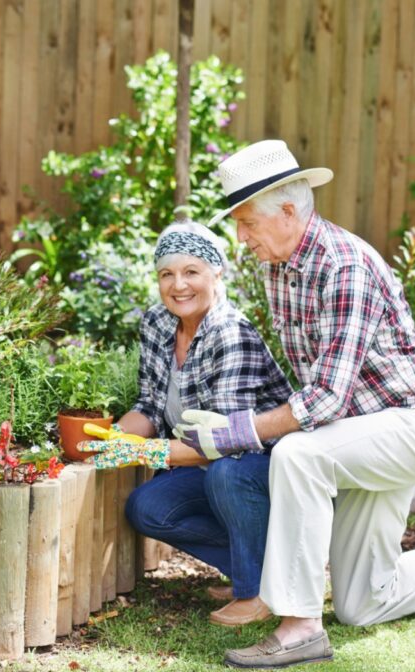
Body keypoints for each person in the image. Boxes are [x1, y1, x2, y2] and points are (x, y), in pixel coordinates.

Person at [175, 139, 415, 669]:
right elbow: (314, 392)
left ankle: (299, 628)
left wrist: (232, 433)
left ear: (289, 211)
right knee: (365, 602)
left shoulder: (344, 266)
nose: (240, 237)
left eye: (246, 223)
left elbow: (323, 399)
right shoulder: (279, 269)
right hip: (362, 433)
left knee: (298, 453)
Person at [78, 220, 292, 626]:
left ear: (216, 274)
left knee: (225, 475)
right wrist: (115, 438)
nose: (179, 285)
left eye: (192, 272)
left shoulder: (231, 334)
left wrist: (149, 451)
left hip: (261, 466)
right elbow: (150, 405)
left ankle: (254, 593)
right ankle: (262, 569)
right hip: (207, 461)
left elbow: (231, 443)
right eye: (167, 274)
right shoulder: (158, 323)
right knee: (148, 508)